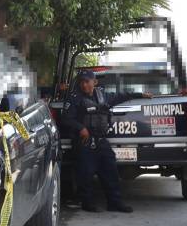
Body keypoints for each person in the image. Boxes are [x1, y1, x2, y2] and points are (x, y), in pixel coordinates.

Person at [60, 70, 151, 213]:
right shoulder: (74, 98)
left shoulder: (103, 96)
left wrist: (140, 95)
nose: (84, 85)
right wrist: (81, 128)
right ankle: (87, 203)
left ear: (94, 82)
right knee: (86, 174)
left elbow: (122, 96)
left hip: (101, 140)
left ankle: (115, 203)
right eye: (82, 82)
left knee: (111, 172)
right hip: (84, 142)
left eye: (87, 81)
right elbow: (66, 119)